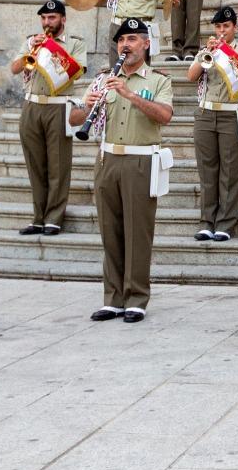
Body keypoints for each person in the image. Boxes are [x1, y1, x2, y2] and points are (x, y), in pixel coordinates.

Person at [73, 18, 173, 324]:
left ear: (145, 44)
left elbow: (165, 116)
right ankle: (113, 298)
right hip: (107, 161)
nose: (125, 45)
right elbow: (75, 120)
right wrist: (87, 106)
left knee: (137, 233)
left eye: (131, 39)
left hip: (140, 161)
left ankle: (136, 298)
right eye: (121, 41)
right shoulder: (104, 78)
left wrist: (130, 94)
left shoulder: (158, 80)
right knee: (110, 232)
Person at [10, 0, 86, 236]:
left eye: (52, 18)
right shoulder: (31, 41)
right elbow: (14, 68)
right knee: (36, 165)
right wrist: (30, 52)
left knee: (58, 164)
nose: (47, 22)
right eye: (43, 18)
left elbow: (76, 71)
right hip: (32, 105)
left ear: (63, 19)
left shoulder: (74, 44)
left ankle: (54, 216)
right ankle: (38, 217)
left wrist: (52, 48)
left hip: (59, 106)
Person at [187, 6, 238, 242]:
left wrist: (226, 53)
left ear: (235, 28)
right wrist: (208, 52)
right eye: (218, 27)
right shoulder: (208, 50)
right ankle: (207, 221)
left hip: (231, 115)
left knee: (230, 172)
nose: (221, 31)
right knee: (207, 172)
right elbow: (191, 75)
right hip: (206, 114)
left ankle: (225, 223)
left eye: (226, 26)